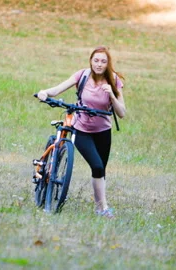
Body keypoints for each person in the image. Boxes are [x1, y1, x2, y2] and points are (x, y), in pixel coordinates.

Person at [37, 46, 126, 218]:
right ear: (91, 61)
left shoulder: (113, 81)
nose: (99, 64)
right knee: (97, 165)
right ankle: (104, 209)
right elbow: (57, 89)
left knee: (100, 170)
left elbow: (122, 113)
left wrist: (112, 95)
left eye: (103, 61)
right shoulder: (82, 75)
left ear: (108, 64)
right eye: (96, 60)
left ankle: (99, 207)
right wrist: (44, 92)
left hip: (103, 131)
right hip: (81, 129)